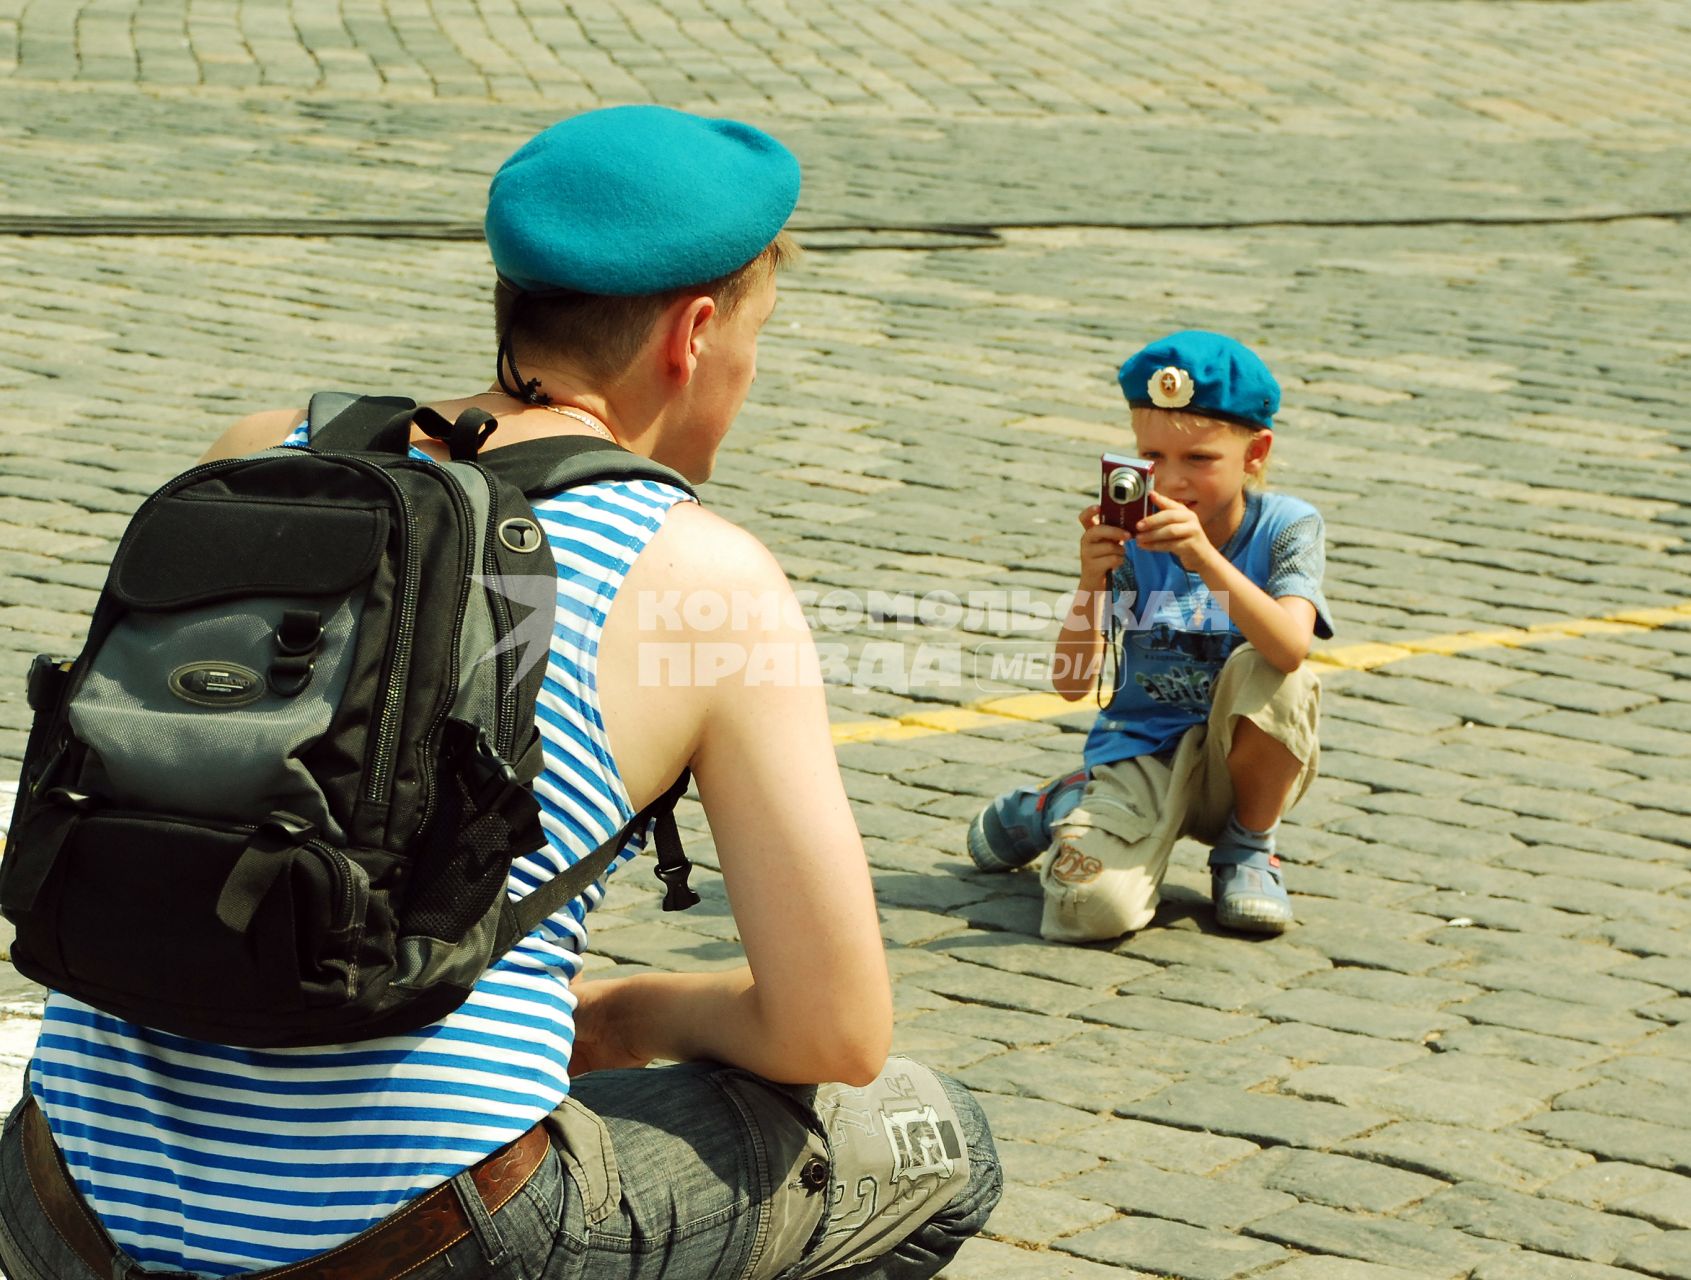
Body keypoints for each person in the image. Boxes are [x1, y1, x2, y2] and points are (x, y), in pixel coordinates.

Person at [0, 105, 998, 1280]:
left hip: (59, 1200)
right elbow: (833, 1026)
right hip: (412, 1244)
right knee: (938, 1142)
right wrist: (625, 1018)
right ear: (690, 333)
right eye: (754, 333)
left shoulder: (263, 454)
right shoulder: (698, 575)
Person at [966, 331, 1331, 943]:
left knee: (1278, 676)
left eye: (1200, 459)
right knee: (1088, 914)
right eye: (1152, 458)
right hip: (1140, 758)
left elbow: (1289, 647)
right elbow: (1070, 684)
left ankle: (1247, 848)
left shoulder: (1287, 526)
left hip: (1232, 763)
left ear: (1256, 452)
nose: (1173, 480)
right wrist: (1092, 581)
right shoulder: (1134, 536)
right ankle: (1058, 805)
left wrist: (1203, 559)